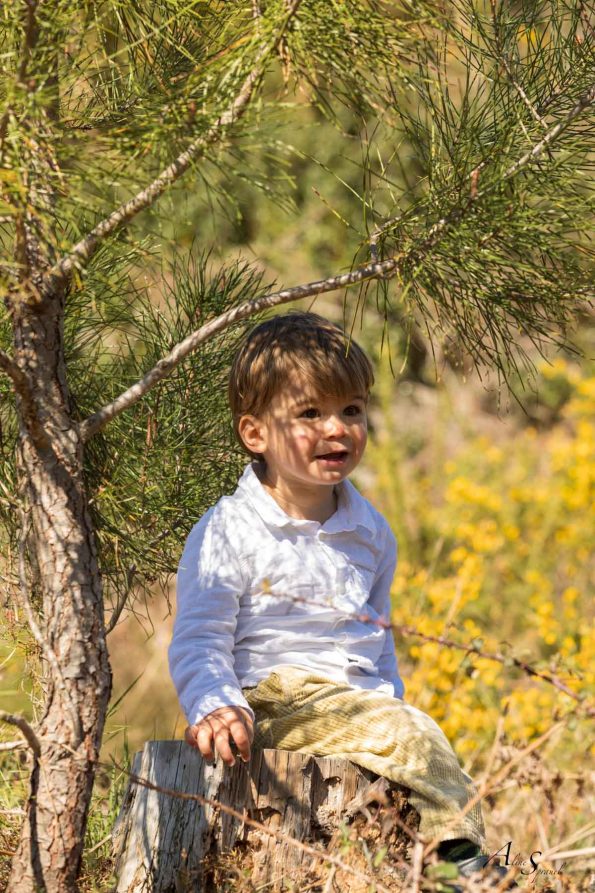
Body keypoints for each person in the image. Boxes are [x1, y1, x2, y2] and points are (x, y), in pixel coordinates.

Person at [169, 311, 515, 890]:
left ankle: (410, 869)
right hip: (271, 703)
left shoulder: (370, 530)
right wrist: (215, 704)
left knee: (401, 754)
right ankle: (465, 870)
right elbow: (201, 636)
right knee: (413, 738)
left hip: (352, 708)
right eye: (310, 413)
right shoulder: (230, 529)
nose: (337, 429)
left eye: (351, 410)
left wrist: (389, 701)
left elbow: (376, 641)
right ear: (255, 434)